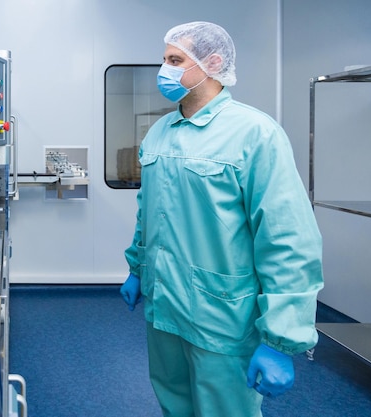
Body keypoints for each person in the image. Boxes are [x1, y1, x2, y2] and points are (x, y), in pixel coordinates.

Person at [120, 21, 324, 417]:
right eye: (164, 60)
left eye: (176, 60)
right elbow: (149, 212)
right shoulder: (159, 133)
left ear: (212, 63)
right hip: (164, 308)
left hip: (222, 316)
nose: (165, 70)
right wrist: (137, 267)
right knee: (173, 404)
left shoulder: (255, 133)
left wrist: (281, 338)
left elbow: (288, 238)